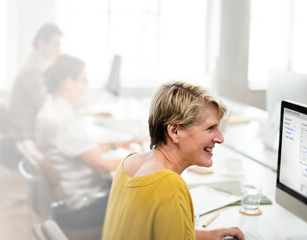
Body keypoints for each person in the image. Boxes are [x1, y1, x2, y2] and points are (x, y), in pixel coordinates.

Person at [102, 81, 245, 240]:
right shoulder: (169, 185)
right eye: (210, 128)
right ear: (175, 131)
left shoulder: (129, 163)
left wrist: (207, 235)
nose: (220, 138)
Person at [35, 54, 140, 229]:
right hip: (83, 204)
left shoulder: (51, 110)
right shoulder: (65, 121)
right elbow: (102, 165)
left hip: (69, 198)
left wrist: (116, 145)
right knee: (144, 202)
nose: (86, 86)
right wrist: (146, 160)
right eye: (84, 80)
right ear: (69, 81)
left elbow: (80, 147)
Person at [8, 23, 62, 139]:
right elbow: (45, 105)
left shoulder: (34, 64)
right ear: (42, 43)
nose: (59, 49)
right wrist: (68, 106)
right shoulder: (32, 70)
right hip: (27, 132)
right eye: (56, 44)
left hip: (29, 127)